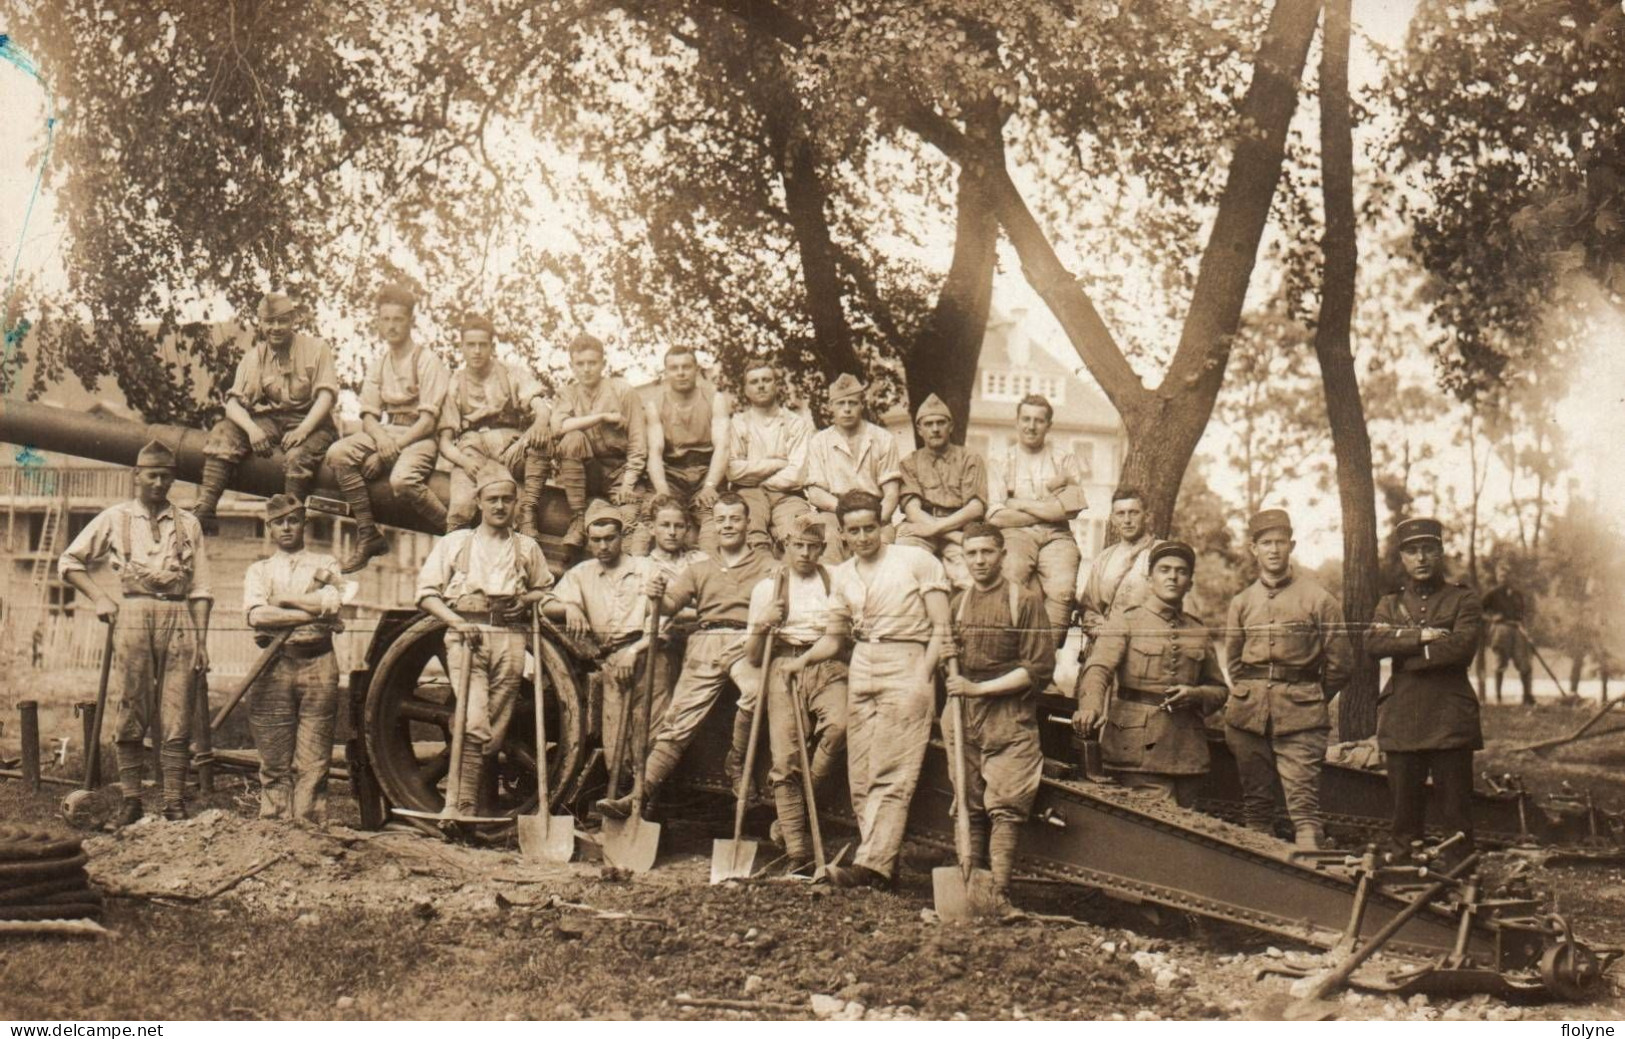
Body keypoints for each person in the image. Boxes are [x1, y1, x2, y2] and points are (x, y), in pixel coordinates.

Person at [785, 490, 952, 890]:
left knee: (891, 771)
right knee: (860, 771)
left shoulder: (915, 561)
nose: (863, 537)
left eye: (870, 528)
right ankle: (879, 863)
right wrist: (802, 660)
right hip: (863, 662)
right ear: (842, 534)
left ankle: (872, 865)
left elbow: (943, 629)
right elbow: (834, 638)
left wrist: (923, 676)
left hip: (908, 660)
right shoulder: (841, 575)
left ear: (882, 526)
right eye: (854, 531)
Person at [59, 440, 212, 824]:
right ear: (137, 475)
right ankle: (132, 799)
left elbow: (202, 588)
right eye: (152, 475)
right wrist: (99, 598)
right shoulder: (116, 517)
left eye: (166, 476)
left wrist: (203, 641)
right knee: (131, 706)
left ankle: (174, 800)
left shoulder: (189, 523)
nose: (159, 483)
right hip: (132, 613)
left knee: (178, 710)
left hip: (178, 617)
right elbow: (70, 561)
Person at [597, 493, 775, 821]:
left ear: (748, 524)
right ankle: (637, 796)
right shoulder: (700, 568)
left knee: (753, 693)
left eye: (735, 519)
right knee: (677, 722)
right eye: (721, 520)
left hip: (746, 640)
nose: (728, 526)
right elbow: (669, 606)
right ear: (713, 525)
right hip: (705, 641)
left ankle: (736, 762)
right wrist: (657, 595)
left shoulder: (768, 565)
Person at [415, 463, 555, 816]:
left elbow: (544, 589)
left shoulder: (526, 548)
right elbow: (426, 595)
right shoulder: (456, 544)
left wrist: (525, 601)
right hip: (468, 637)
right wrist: (456, 623)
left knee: (492, 734)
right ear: (478, 501)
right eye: (492, 499)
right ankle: (457, 807)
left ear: (516, 504)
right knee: (474, 721)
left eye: (507, 500)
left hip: (509, 639)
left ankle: (470, 806)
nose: (499, 506)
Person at [1221, 509, 1353, 849]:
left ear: (1291, 545)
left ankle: (1313, 884)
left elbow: (1341, 663)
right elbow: (1234, 661)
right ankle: (1257, 888)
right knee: (1256, 808)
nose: (1274, 550)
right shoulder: (1242, 602)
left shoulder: (1318, 599)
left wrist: (1309, 696)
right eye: (1266, 543)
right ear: (1254, 549)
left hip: (1302, 718)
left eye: (1280, 542)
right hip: (1248, 719)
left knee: (1304, 810)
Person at [943, 522, 1051, 921]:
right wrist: (945, 656)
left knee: (1006, 804)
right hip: (961, 717)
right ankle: (970, 888)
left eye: (987, 552)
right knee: (967, 804)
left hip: (1010, 716)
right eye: (971, 554)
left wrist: (979, 689)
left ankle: (1000, 895)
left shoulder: (1024, 600)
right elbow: (948, 664)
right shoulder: (957, 603)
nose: (979, 561)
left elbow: (1037, 669)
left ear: (1003, 555)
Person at [1073, 541, 1227, 807]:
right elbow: (1098, 669)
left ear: (1189, 582)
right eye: (1164, 570)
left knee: (1189, 833)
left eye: (1181, 571)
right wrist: (1090, 707)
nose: (1173, 577)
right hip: (1135, 749)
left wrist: (1196, 694)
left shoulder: (1198, 631)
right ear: (1150, 578)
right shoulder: (1127, 621)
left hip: (1187, 753)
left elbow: (1220, 689)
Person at [1367, 518, 1484, 864]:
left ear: (1440, 552)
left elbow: (1461, 648)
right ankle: (1404, 882)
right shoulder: (1389, 604)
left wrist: (1405, 651)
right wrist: (1422, 637)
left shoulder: (1462, 599)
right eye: (1412, 550)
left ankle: (1461, 886)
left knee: (1457, 818)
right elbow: (1373, 644)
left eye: (1428, 549)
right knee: (1403, 820)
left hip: (1450, 721)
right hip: (1402, 721)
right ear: (1402, 557)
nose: (1420, 558)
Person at [743, 512, 850, 873]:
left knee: (840, 725)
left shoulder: (834, 580)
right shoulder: (767, 588)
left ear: (822, 548)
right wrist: (763, 624)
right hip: (783, 665)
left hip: (825, 662)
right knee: (786, 760)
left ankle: (795, 813)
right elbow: (754, 657)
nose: (804, 553)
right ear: (784, 545)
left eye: (812, 546)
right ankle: (798, 854)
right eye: (797, 545)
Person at [241, 494, 354, 825]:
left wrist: (285, 601)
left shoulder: (326, 564)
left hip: (319, 662)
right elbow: (257, 616)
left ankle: (309, 823)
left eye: (293, 520)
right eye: (280, 522)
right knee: (274, 756)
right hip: (275, 663)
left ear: (304, 523)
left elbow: (333, 601)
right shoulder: (259, 570)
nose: (287, 528)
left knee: (314, 757)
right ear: (270, 528)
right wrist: (311, 612)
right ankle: (274, 824)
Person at [325, 284, 451, 571]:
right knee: (338, 453)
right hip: (386, 432)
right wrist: (382, 442)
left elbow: (429, 420)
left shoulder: (427, 360)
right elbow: (369, 415)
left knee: (403, 481)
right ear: (378, 323)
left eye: (398, 319)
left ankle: (454, 532)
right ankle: (368, 533)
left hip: (418, 436)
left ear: (410, 321)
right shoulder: (379, 363)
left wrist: (385, 454)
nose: (391, 326)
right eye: (386, 319)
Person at [192, 292, 339, 534]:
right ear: (260, 323)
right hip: (272, 420)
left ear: (294, 320)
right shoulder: (254, 358)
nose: (276, 328)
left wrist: (304, 429)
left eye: (282, 321)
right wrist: (252, 430)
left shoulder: (316, 349)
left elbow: (326, 396)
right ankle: (205, 508)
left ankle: (290, 522)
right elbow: (233, 404)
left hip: (314, 423)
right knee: (224, 432)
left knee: (297, 456)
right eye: (269, 322)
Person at [545, 500, 661, 791]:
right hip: (608, 661)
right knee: (614, 740)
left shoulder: (646, 568)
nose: (604, 546)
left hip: (647, 655)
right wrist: (570, 607)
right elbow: (546, 604)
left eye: (610, 538)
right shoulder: (582, 574)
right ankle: (620, 795)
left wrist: (635, 651)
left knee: (648, 734)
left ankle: (647, 801)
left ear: (622, 537)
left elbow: (668, 617)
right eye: (596, 540)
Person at [987, 394, 1087, 654]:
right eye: (1026, 419)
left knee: (1063, 590)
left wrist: (1019, 503)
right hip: (1016, 533)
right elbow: (996, 515)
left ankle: (1045, 661)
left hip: (1057, 536)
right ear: (1017, 421)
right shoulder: (1000, 459)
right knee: (1010, 577)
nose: (1031, 426)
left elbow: (1071, 510)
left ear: (1049, 425)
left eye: (1039, 421)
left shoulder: (1064, 460)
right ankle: (1009, 654)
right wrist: (1048, 509)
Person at [437, 315, 552, 534]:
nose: (477, 351)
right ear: (462, 347)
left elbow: (541, 406)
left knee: (542, 440)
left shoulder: (510, 373)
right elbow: (444, 442)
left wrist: (541, 422)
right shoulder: (454, 383)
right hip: (472, 451)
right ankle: (455, 562)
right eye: (471, 345)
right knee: (460, 508)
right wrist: (464, 462)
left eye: (483, 344)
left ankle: (528, 510)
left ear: (492, 346)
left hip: (508, 446)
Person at [551, 332, 647, 547]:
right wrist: (602, 417)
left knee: (628, 521)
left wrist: (629, 483)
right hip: (588, 472)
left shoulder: (623, 391)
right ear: (572, 365)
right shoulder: (567, 394)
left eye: (592, 362)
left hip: (620, 471)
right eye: (580, 363)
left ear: (603, 363)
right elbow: (558, 428)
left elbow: (638, 443)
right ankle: (577, 517)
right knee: (573, 438)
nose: (586, 369)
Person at [804, 373, 902, 561]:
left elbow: (891, 494)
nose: (847, 409)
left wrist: (873, 519)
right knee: (826, 546)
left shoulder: (882, 439)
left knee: (885, 555)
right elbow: (815, 493)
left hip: (875, 514)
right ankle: (831, 589)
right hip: (833, 513)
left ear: (862, 405)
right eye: (841, 403)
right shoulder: (819, 442)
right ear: (830, 406)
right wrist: (846, 511)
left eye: (852, 403)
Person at [895, 393, 988, 590]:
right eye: (928, 424)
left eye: (940, 423)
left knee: (970, 578)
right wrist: (949, 535)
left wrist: (939, 530)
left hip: (962, 526)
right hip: (920, 529)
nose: (935, 429)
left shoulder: (969, 458)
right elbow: (913, 511)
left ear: (951, 426)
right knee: (904, 568)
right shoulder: (909, 463)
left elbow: (976, 507)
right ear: (919, 429)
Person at [643, 345, 729, 555]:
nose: (680, 372)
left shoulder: (714, 399)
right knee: (655, 516)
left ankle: (708, 570)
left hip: (705, 472)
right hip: (673, 474)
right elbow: (655, 450)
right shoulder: (655, 404)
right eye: (674, 368)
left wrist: (710, 485)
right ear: (666, 372)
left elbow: (723, 447)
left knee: (712, 518)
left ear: (696, 369)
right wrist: (662, 488)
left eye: (686, 367)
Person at [724, 362, 815, 553]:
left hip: (788, 495)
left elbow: (798, 472)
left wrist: (762, 480)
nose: (761, 385)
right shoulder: (737, 423)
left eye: (766, 380)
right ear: (746, 390)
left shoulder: (796, 423)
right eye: (754, 381)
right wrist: (776, 463)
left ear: (777, 385)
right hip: (748, 494)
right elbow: (732, 470)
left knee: (804, 535)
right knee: (749, 539)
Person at [1078, 488, 1158, 640]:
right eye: (1120, 514)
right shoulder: (1103, 559)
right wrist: (1107, 637)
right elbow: (1090, 610)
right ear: (1113, 519)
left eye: (1134, 512)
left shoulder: (1162, 553)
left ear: (1146, 516)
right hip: (1110, 646)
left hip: (1149, 644)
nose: (1127, 520)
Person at [1482, 563, 1534, 705]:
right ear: (1497, 577)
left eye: (1506, 575)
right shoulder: (1492, 594)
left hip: (1517, 629)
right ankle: (1498, 698)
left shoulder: (1517, 594)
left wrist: (1527, 633)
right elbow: (1478, 611)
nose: (1504, 578)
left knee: (1524, 663)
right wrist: (1492, 618)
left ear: (1511, 576)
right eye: (1501, 576)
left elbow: (1523, 615)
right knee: (1500, 663)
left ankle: (1527, 696)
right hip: (1501, 629)